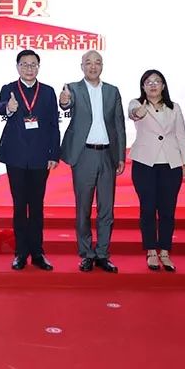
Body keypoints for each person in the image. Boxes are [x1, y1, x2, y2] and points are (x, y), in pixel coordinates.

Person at [59, 50, 126, 273]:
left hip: (107, 155)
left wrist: (120, 156)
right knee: (83, 209)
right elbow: (66, 104)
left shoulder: (112, 91)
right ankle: (86, 253)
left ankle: (103, 253)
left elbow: (119, 125)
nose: (93, 66)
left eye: (97, 62)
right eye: (88, 63)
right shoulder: (73, 88)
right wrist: (64, 101)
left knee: (107, 209)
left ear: (102, 66)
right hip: (84, 155)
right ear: (82, 66)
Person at [0, 49, 60, 271]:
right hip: (16, 156)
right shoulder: (9, 88)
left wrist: (54, 154)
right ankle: (21, 253)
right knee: (20, 205)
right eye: (25, 64)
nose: (29, 68)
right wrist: (8, 108)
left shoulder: (48, 92)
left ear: (38, 67)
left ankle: (38, 253)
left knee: (37, 205)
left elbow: (54, 124)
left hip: (41, 157)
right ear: (17, 67)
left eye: (33, 65)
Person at [127, 69, 185, 272]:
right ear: (143, 86)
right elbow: (133, 114)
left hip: (171, 164)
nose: (153, 85)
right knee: (147, 208)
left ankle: (164, 250)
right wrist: (139, 112)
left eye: (157, 81)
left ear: (163, 86)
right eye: (149, 82)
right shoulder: (136, 104)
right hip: (145, 163)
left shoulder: (174, 107)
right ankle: (151, 250)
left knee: (167, 210)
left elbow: (181, 135)